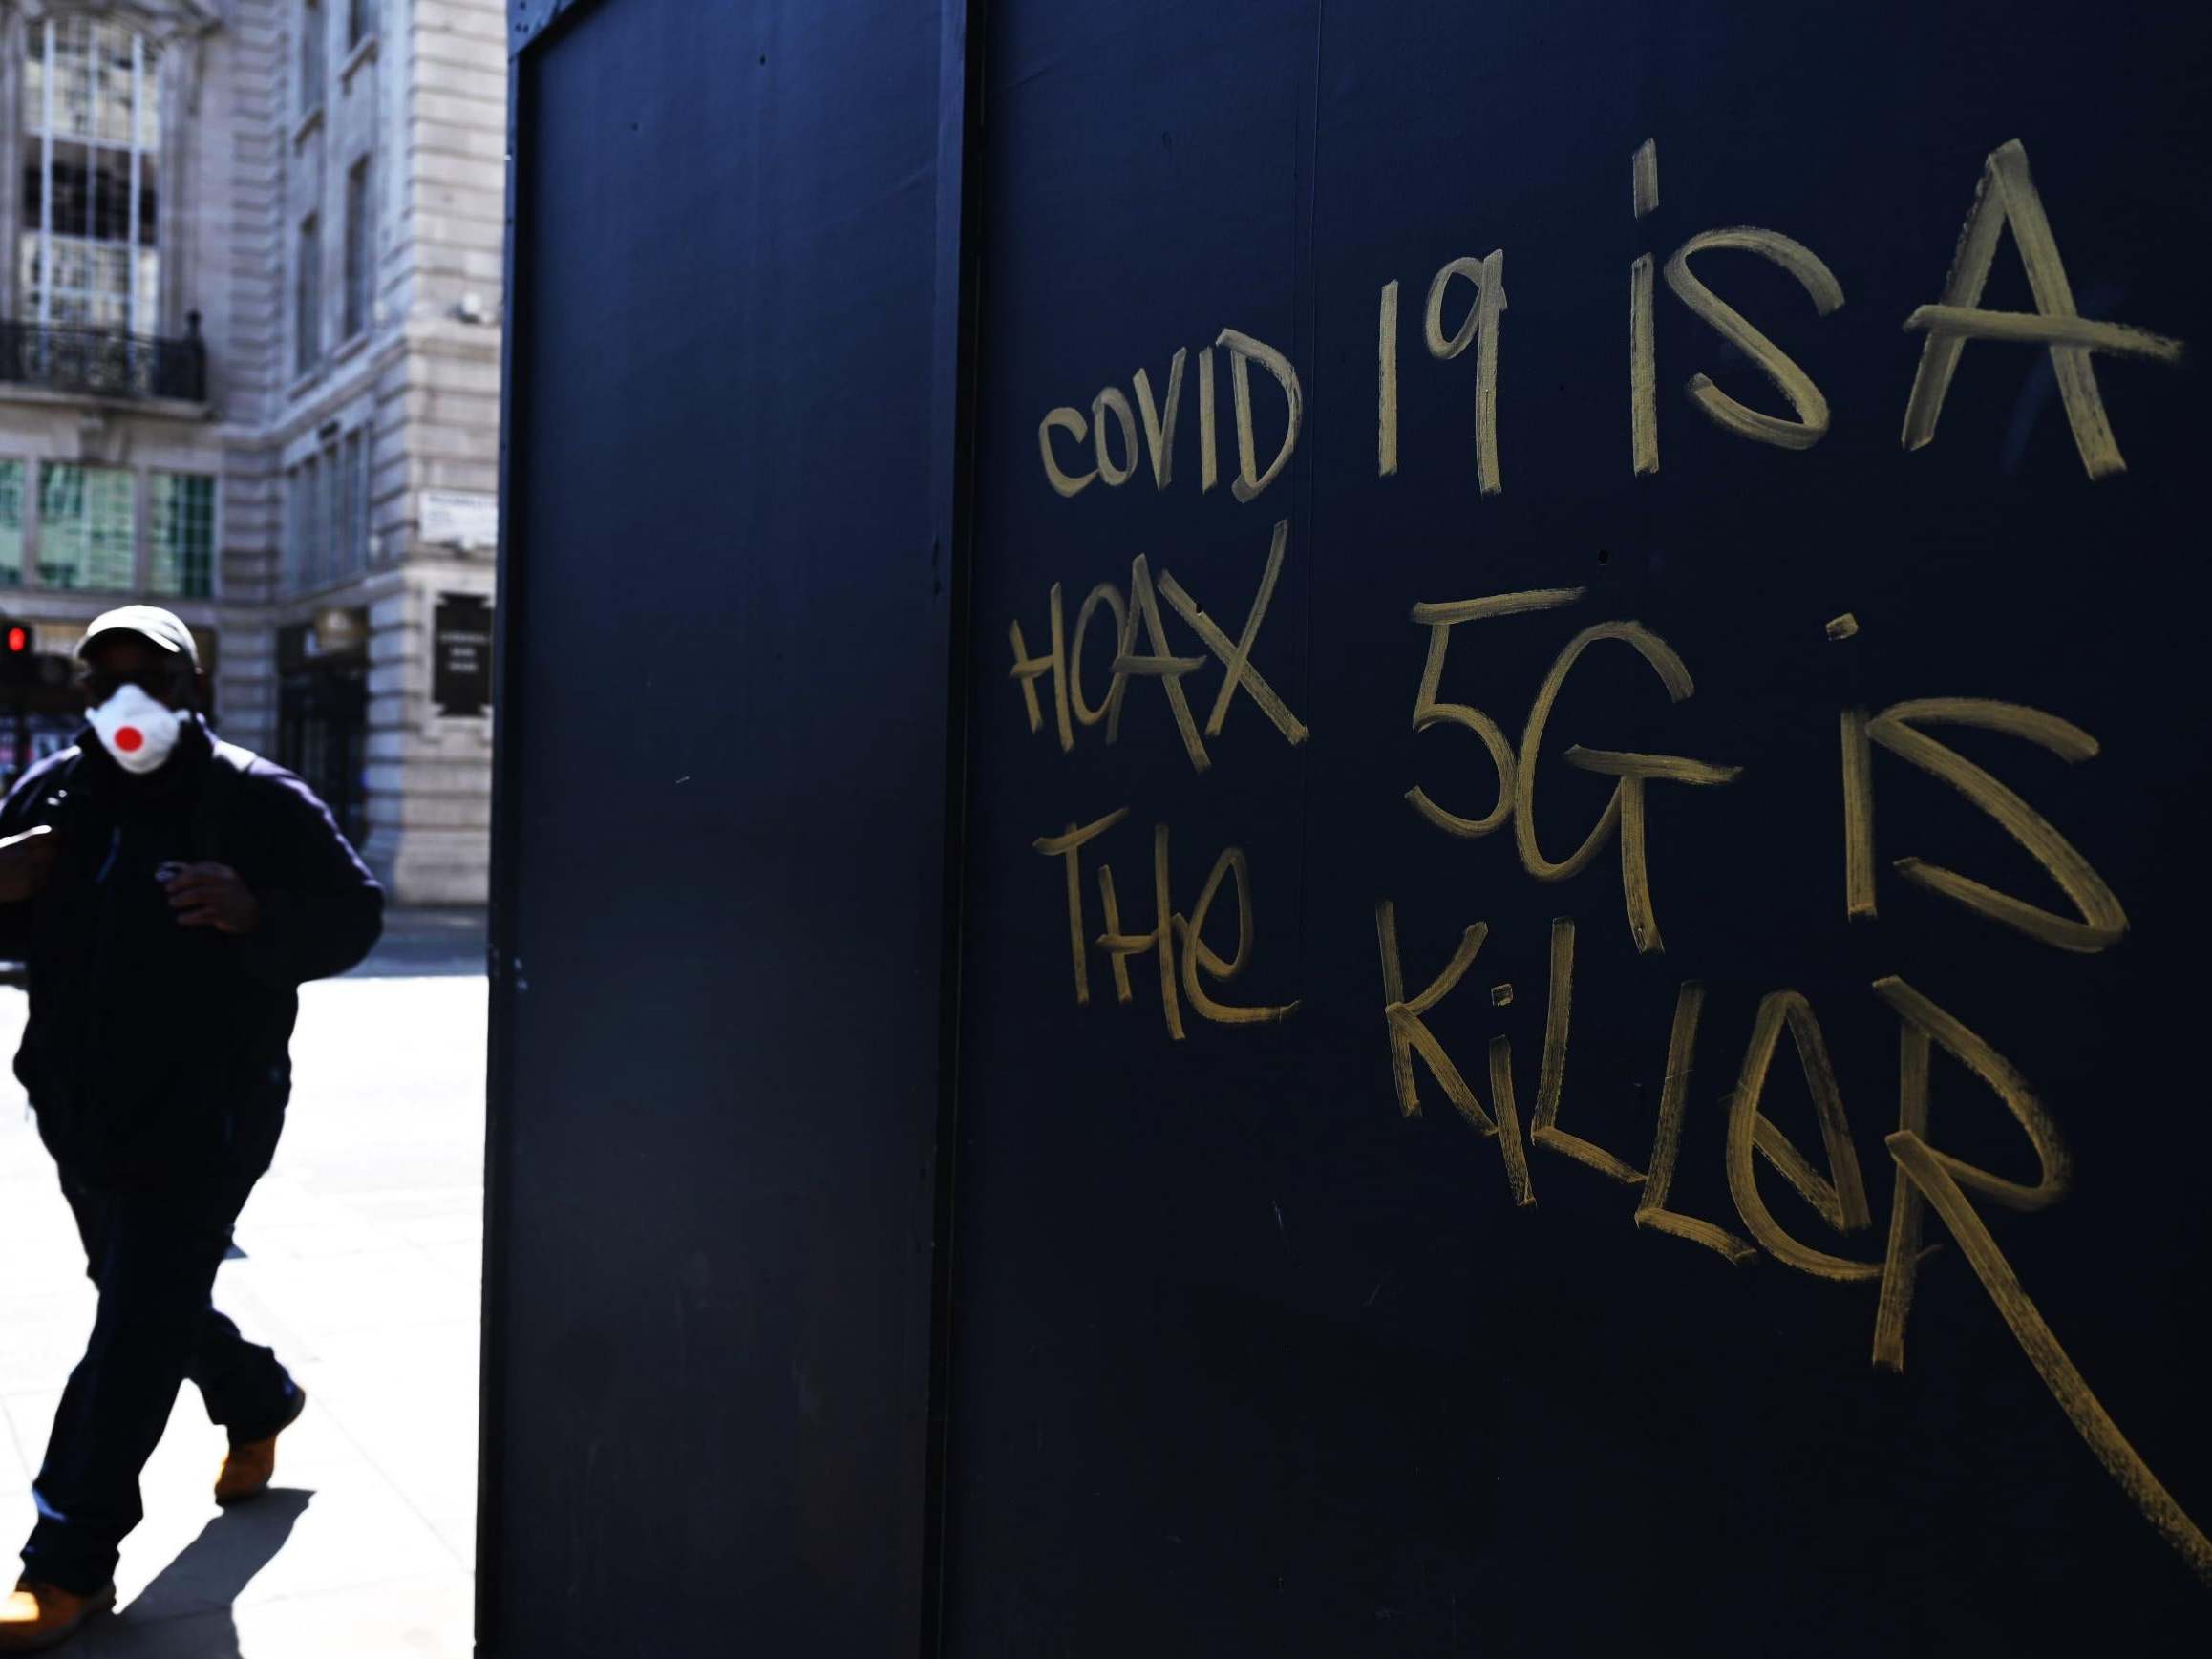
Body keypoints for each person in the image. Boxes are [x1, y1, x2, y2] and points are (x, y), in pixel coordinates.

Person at [0, 606, 382, 1651]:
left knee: (131, 1324)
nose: (128, 700)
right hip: (78, 1104)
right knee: (137, 1299)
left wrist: (258, 914)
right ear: (82, 697)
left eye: (153, 678)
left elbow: (355, 913)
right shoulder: (51, 797)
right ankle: (257, 1393)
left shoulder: (255, 798)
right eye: (104, 680)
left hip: (209, 1108)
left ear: (193, 688)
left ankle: (67, 1561)